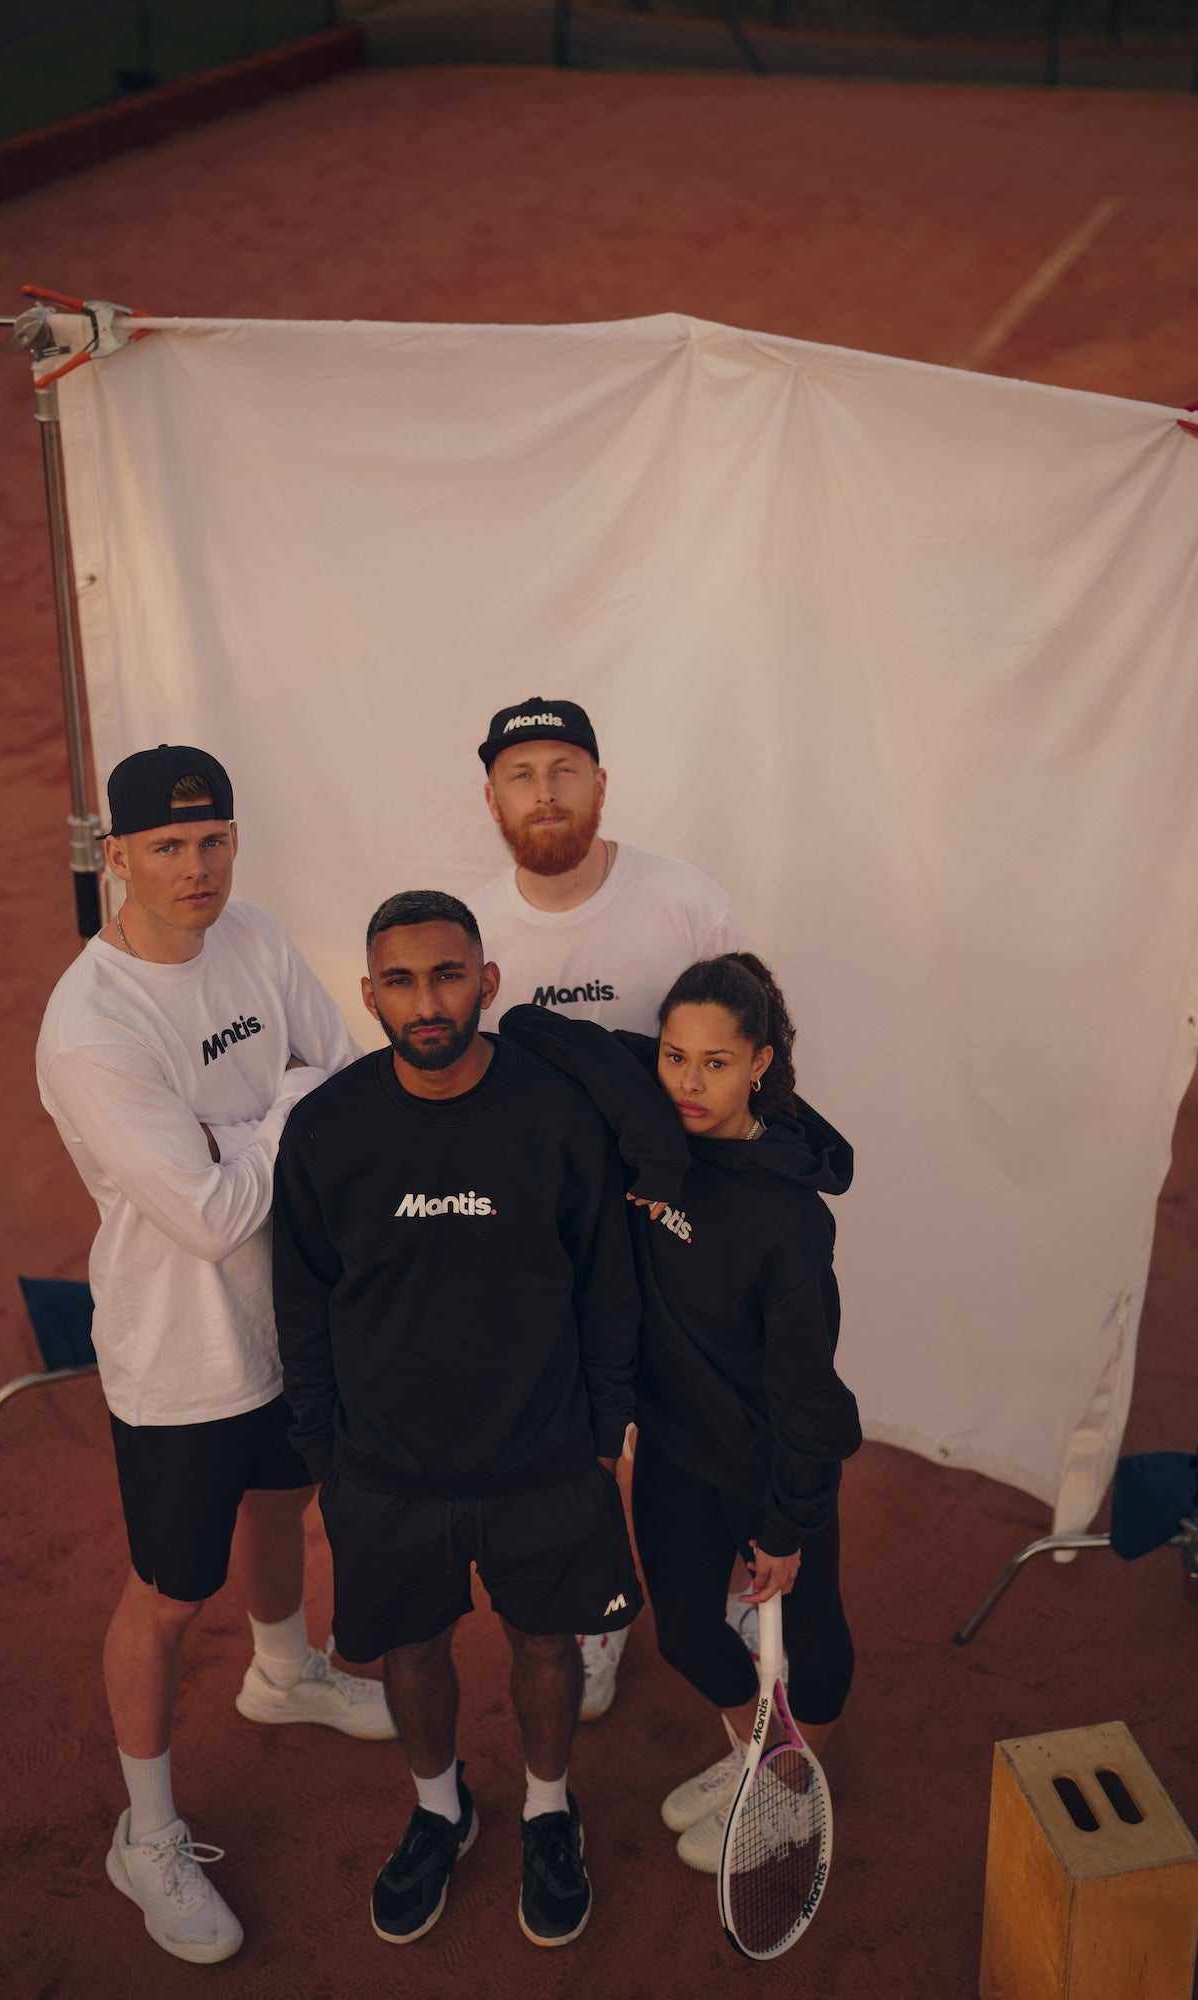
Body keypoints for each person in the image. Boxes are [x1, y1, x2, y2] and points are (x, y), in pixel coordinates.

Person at [36, 744, 394, 1968]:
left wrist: (248, 1126)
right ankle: (145, 1834)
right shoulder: (92, 1025)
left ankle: (285, 1670)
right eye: (167, 846)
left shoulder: (254, 935)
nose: (196, 866)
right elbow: (208, 1215)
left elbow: (343, 1079)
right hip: (177, 1352)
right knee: (170, 1594)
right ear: (117, 856)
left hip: (290, 1315)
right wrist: (283, 1108)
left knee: (286, 1498)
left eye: (213, 839)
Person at [273, 890, 643, 1949]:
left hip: (544, 1454)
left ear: (488, 980)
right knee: (411, 1647)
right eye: (400, 981)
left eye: (447, 975)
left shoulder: (557, 1114)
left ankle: (548, 1809)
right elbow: (301, 1303)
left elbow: (607, 1283)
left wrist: (604, 1434)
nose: (427, 1001)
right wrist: (326, 1454)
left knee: (547, 1641)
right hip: (388, 1466)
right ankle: (441, 1810)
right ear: (369, 995)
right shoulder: (328, 1129)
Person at [500, 951, 861, 1873]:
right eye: (673, 1057)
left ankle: (793, 1791)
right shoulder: (658, 1129)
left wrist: (786, 1522)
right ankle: (756, 1751)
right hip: (675, 1444)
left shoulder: (790, 1218)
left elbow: (806, 1390)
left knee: (811, 1632)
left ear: (760, 1065)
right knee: (687, 1634)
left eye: (716, 1063)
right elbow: (530, 1027)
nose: (689, 1084)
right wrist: (649, 1122)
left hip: (773, 1455)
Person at [468, 696, 740, 1720]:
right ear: (491, 797)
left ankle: (723, 1575)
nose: (545, 792)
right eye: (522, 774)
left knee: (700, 1415)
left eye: (564, 769)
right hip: (548, 1235)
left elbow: (752, 1051)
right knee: (574, 1429)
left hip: (680, 1214)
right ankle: (601, 1606)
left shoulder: (686, 902)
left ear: (600, 783)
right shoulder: (471, 930)